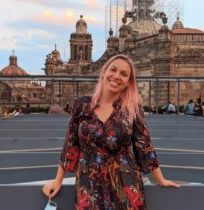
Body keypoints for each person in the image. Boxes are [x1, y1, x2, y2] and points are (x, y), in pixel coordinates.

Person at [42, 54, 179, 209]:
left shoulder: (133, 108)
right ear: (104, 72)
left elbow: (145, 146)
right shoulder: (82, 105)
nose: (116, 76)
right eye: (113, 70)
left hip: (126, 187)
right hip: (89, 187)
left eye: (123, 74)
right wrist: (57, 180)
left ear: (128, 82)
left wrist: (160, 180)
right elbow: (71, 144)